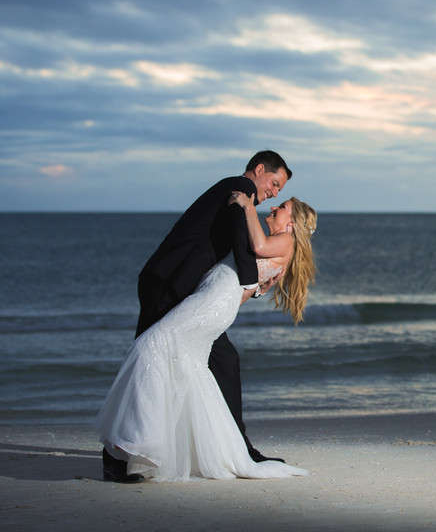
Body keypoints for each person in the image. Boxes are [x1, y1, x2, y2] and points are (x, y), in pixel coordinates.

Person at [95, 186, 317, 481]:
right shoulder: (282, 243)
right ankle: (145, 449)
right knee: (183, 367)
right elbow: (248, 286)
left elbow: (260, 248)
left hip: (212, 304)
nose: (274, 208)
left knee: (152, 346)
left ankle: (134, 446)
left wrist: (247, 206)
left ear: (292, 223)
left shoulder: (285, 240)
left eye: (283, 208)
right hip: (215, 303)